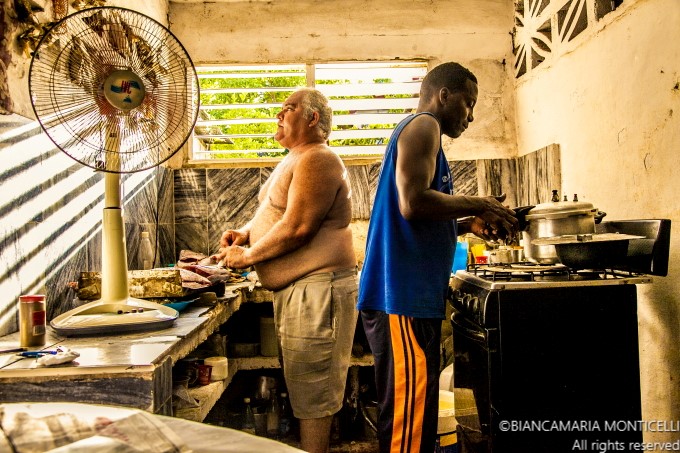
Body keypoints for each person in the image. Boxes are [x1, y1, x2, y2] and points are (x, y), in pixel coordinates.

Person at [357, 62, 518, 453]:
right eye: (469, 103)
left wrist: (466, 224)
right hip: (401, 300)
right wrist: (480, 202)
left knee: (415, 421)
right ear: (444, 95)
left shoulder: (423, 133)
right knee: (408, 431)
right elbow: (413, 203)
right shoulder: (424, 125)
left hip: (407, 299)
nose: (471, 116)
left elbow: (416, 217)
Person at [213, 87, 358, 453]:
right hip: (303, 291)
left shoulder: (319, 158)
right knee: (305, 392)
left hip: (318, 290)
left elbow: (298, 227)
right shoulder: (297, 157)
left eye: (288, 108)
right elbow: (278, 214)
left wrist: (247, 256)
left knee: (315, 398)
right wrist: (246, 233)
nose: (278, 115)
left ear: (312, 118)